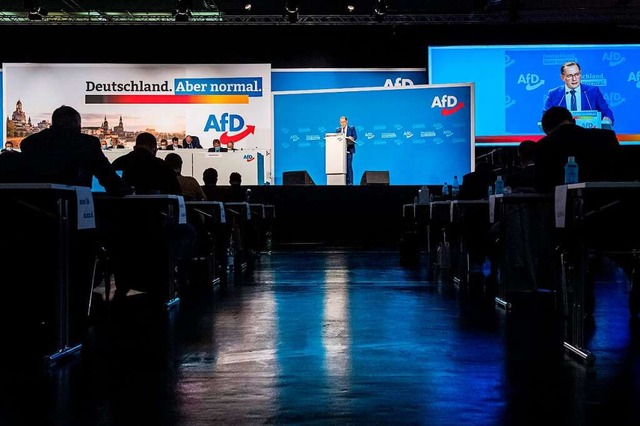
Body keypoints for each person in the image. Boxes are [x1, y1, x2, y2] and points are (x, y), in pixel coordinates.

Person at [18, 105, 132, 196]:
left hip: (36, 206)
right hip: (76, 206)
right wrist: (126, 190)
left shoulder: (30, 143)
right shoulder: (87, 143)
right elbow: (108, 177)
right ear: (77, 124)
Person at [534, 106, 621, 193]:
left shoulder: (542, 146)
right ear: (574, 121)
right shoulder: (607, 137)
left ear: (546, 130)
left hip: (562, 203)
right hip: (609, 200)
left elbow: (542, 186)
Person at [542, 61, 614, 126]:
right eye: (570, 76)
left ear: (580, 73)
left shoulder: (593, 91)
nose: (574, 79)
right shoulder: (553, 94)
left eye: (577, 74)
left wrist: (607, 120)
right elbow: (546, 118)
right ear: (562, 77)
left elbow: (607, 112)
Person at [111, 132, 182, 195]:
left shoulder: (119, 163)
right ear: (154, 149)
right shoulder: (163, 166)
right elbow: (176, 194)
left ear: (134, 147)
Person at [336, 115, 357, 185]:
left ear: (347, 121)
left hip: (349, 150)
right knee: (341, 167)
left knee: (348, 166)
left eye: (344, 122)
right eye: (341, 122)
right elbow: (336, 140)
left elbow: (355, 136)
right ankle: (343, 182)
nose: (343, 123)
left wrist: (352, 138)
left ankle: (350, 182)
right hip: (340, 152)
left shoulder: (351, 128)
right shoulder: (338, 130)